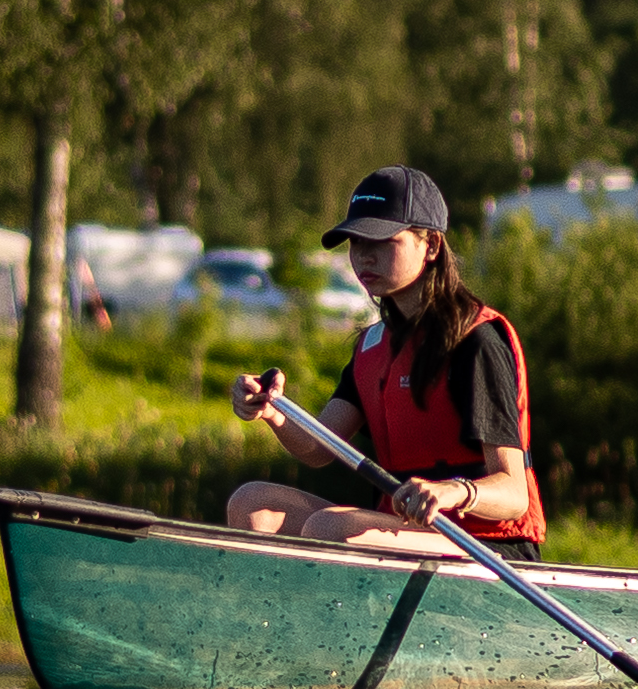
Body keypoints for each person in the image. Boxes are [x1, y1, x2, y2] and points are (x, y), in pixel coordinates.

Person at [221, 167, 546, 556]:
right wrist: (271, 410)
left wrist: (451, 492)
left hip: (487, 547)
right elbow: (318, 448)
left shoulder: (475, 341)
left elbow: (514, 495)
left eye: (381, 242)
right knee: (251, 503)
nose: (363, 256)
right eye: (355, 243)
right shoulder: (374, 345)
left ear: (431, 246)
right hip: (408, 533)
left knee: (329, 528)